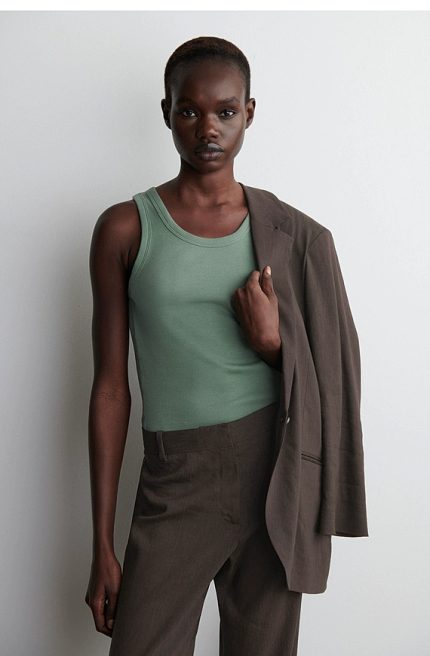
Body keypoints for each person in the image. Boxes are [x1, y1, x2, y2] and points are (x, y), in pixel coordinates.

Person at [84, 35, 368, 656]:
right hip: (174, 478)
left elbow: (335, 374)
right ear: (167, 112)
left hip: (275, 476)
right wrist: (102, 543)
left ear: (249, 113)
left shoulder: (296, 236)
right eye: (189, 110)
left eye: (226, 111)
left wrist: (274, 344)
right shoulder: (125, 229)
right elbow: (110, 388)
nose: (207, 128)